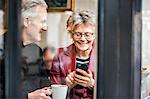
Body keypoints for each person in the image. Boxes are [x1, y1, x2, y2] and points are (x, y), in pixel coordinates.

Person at [50, 10, 96, 99]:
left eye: (87, 34)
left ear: (94, 35)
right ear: (71, 34)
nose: (82, 39)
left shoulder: (103, 56)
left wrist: (93, 85)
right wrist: (66, 86)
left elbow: (113, 91)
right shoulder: (59, 56)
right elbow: (54, 95)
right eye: (78, 34)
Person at [21, 0, 52, 98]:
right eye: (42, 21)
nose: (45, 28)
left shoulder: (36, 50)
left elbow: (45, 84)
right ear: (26, 21)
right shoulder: (2, 48)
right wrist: (28, 97)